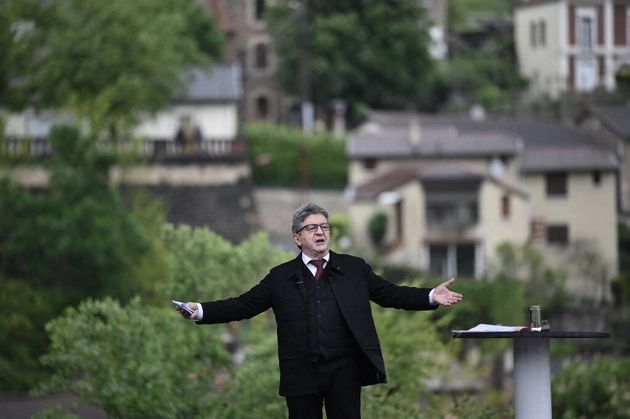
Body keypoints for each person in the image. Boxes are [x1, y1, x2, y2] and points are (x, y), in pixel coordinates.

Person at [176, 203, 463, 419]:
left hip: (344, 371)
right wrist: (200, 310)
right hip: (300, 372)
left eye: (325, 226)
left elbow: (390, 294)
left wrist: (430, 296)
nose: (320, 232)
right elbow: (244, 305)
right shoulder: (280, 277)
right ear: (297, 238)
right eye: (312, 227)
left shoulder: (354, 268)